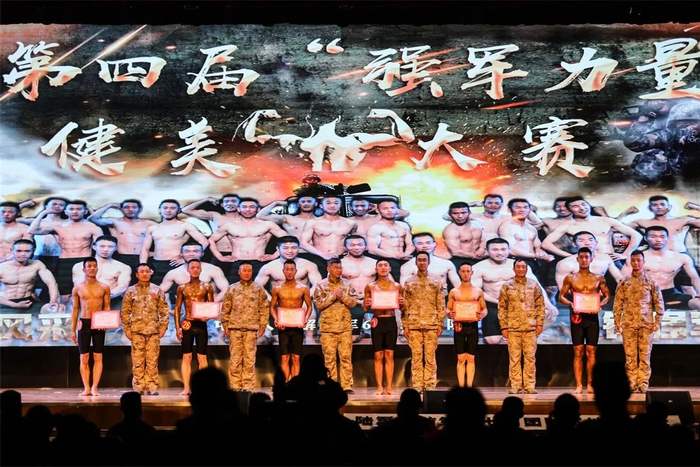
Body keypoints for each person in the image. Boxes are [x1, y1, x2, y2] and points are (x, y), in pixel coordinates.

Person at [472, 238, 557, 345]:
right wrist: (498, 302)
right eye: (495, 250)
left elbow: (536, 285)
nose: (500, 253)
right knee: (493, 341)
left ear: (509, 250)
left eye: (503, 249)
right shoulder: (478, 268)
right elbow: (476, 291)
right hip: (493, 305)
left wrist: (548, 303)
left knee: (548, 311)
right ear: (487, 251)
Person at [559, 247, 611, 394]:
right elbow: (561, 296)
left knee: (591, 351)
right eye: (581, 257)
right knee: (578, 351)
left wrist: (599, 305)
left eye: (586, 257)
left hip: (592, 317)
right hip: (577, 317)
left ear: (591, 259)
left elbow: (607, 296)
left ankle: (590, 384)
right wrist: (571, 304)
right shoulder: (570, 278)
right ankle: (578, 385)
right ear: (577, 259)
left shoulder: (599, 278)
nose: (584, 260)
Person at [28, 200, 102, 301]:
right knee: (64, 293)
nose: (75, 212)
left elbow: (100, 247)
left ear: (85, 211)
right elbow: (32, 231)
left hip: (84, 261)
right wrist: (43, 213)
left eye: (78, 209)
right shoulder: (58, 227)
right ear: (66, 211)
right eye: (71, 209)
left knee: (85, 292)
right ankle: (66, 311)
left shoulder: (93, 228)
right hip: (63, 261)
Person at [613, 250, 664, 394]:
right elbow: (618, 303)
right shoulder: (624, 281)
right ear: (630, 262)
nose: (636, 263)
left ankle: (643, 383)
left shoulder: (650, 281)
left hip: (646, 324)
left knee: (645, 356)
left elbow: (659, 302)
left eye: (639, 260)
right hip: (628, 324)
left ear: (643, 261)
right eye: (633, 260)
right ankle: (631, 383)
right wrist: (617, 321)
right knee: (630, 356)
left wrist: (657, 321)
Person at [255, 236, 322, 343]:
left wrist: (304, 298)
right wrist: (272, 299)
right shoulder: (269, 267)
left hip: (301, 300)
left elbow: (318, 285)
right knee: (261, 303)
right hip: (278, 301)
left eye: (294, 248)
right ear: (277, 249)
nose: (290, 251)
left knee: (308, 307)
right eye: (285, 248)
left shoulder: (308, 265)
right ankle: (266, 334)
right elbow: (257, 287)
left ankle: (309, 337)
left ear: (299, 248)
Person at [621, 226, 700, 310]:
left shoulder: (681, 257)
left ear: (667, 238)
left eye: (662, 237)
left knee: (697, 302)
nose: (658, 240)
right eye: (653, 236)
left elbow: (694, 278)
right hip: (644, 295)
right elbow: (623, 279)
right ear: (646, 238)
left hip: (671, 295)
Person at [542, 196, 642, 262]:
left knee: (621, 286)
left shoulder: (606, 221)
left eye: (583, 204)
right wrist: (570, 256)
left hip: (610, 258)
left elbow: (636, 235)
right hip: (585, 261)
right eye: (575, 206)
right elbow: (546, 244)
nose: (582, 208)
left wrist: (625, 254)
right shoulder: (568, 225)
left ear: (588, 205)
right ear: (570, 210)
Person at [209, 197, 286, 283]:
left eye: (252, 207)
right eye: (244, 207)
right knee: (236, 289)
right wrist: (220, 257)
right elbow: (211, 240)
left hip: (259, 261)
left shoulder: (267, 225)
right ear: (238, 209)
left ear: (258, 209)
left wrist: (274, 255)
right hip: (237, 262)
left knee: (259, 289)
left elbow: (286, 239)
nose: (248, 209)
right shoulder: (229, 225)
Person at [498, 259, 546, 394]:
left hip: (530, 327)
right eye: (518, 267)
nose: (520, 269)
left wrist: (540, 323)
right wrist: (504, 327)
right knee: (514, 358)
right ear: (514, 269)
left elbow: (540, 305)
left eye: (523, 267)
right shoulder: (507, 286)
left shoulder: (534, 284)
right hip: (513, 328)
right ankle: (516, 385)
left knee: (530, 358)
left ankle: (530, 385)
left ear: (526, 269)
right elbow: (502, 307)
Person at [121, 263, 169, 395]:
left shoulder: (157, 290)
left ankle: (152, 386)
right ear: (137, 275)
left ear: (151, 273)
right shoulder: (130, 291)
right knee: (137, 360)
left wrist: (163, 327)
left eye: (147, 271)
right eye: (141, 271)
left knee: (152, 360)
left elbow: (164, 310)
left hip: (153, 331)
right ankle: (139, 386)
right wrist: (127, 328)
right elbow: (125, 311)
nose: (145, 274)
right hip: (136, 331)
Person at [221, 261, 270, 391]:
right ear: (239, 272)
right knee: (235, 359)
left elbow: (264, 308)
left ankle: (248, 386)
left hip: (251, 329)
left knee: (249, 359)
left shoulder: (258, 289)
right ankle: (235, 385)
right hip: (234, 328)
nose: (247, 273)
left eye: (249, 271)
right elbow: (225, 308)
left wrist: (263, 325)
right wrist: (225, 325)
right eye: (244, 270)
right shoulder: (232, 288)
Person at [313, 258, 358, 394]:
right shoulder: (321, 285)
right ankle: (330, 385)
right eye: (335, 267)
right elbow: (318, 304)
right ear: (328, 268)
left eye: (340, 267)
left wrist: (343, 296)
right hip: (328, 328)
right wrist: (332, 296)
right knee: (329, 359)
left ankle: (347, 386)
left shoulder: (347, 284)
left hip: (345, 327)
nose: (339, 270)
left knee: (346, 357)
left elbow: (353, 302)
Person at [140, 199, 209, 285]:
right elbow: (145, 248)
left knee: (179, 291)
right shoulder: (152, 228)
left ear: (178, 210)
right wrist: (143, 265)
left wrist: (186, 259)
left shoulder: (185, 226)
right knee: (158, 290)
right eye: (165, 208)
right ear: (160, 210)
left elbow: (204, 242)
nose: (168, 210)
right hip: (156, 264)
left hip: (177, 264)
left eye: (172, 208)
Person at [402, 251, 443, 392]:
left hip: (432, 323)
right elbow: (405, 306)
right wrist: (405, 325)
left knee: (430, 356)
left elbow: (440, 304)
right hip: (414, 324)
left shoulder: (436, 281)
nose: (422, 262)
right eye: (419, 260)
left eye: (424, 260)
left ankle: (430, 384)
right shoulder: (409, 282)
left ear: (429, 262)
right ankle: (418, 384)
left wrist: (440, 323)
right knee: (416, 356)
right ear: (416, 262)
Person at [0, 240, 62, 332]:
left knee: (57, 309)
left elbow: (52, 283)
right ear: (12, 250)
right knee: (10, 332)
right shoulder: (2, 268)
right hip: (6, 304)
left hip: (29, 302)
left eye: (27, 251)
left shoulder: (37, 264)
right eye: (19, 251)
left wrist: (53, 301)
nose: (23, 254)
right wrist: (15, 305)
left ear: (33, 251)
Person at [88, 199, 156, 284]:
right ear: (121, 209)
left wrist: (157, 253)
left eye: (134, 207)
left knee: (144, 284)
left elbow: (165, 235)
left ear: (139, 209)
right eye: (126, 207)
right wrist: (109, 205)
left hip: (143, 258)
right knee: (122, 283)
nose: (130, 209)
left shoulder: (149, 224)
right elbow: (92, 218)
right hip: (122, 257)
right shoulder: (114, 222)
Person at [363, 259, 404, 395]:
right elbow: (364, 307)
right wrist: (366, 303)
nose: (383, 268)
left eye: (385, 265)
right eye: (380, 266)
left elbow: (403, 307)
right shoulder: (370, 286)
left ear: (390, 269)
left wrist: (403, 303)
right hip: (377, 321)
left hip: (391, 321)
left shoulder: (397, 286)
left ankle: (389, 387)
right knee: (378, 355)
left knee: (390, 354)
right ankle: (379, 387)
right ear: (376, 269)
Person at [174, 259, 215, 395]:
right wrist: (177, 327)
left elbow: (212, 307)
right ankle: (186, 388)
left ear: (201, 269)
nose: (195, 270)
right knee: (187, 357)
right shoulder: (182, 287)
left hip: (201, 324)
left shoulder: (207, 287)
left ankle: (204, 388)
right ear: (188, 269)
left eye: (197, 267)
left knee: (202, 357)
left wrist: (208, 316)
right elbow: (177, 308)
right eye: (193, 267)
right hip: (188, 324)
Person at [71, 258, 111, 396]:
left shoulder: (104, 287)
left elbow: (107, 306)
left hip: (98, 323)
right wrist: (72, 330)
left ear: (97, 268)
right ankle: (86, 387)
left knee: (98, 356)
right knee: (84, 357)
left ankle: (94, 387)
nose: (92, 268)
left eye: (94, 266)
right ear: (84, 269)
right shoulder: (78, 288)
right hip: (84, 323)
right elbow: (75, 309)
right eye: (89, 266)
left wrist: (106, 322)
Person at [447, 262, 487, 388]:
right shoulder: (454, 292)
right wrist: (450, 314)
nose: (465, 273)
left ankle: (469, 388)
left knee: (470, 358)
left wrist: (482, 315)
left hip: (472, 327)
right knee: (460, 358)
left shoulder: (478, 291)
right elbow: (447, 309)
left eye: (468, 271)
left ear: (472, 273)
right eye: (463, 271)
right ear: (459, 273)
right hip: (459, 327)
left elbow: (484, 309)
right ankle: (461, 387)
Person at [270, 260, 311, 381]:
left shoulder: (303, 288)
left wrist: (305, 319)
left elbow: (309, 306)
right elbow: (272, 307)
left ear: (295, 271)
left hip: (297, 327)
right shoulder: (277, 288)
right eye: (287, 269)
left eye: (291, 269)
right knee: (284, 358)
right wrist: (276, 319)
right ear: (283, 271)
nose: (289, 272)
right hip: (283, 327)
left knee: (296, 358)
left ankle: (295, 384)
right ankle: (285, 383)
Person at [182, 194, 240, 277]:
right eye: (226, 201)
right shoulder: (214, 216)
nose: (230, 203)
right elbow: (186, 210)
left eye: (233, 201)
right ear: (222, 204)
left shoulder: (245, 219)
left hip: (239, 254)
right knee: (215, 280)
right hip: (218, 253)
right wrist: (207, 199)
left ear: (239, 204)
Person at [300, 196, 357, 276]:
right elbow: (303, 243)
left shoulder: (350, 223)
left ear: (341, 205)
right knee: (320, 282)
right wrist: (323, 254)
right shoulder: (312, 223)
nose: (332, 205)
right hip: (319, 259)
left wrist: (349, 251)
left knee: (343, 283)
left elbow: (354, 241)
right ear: (321, 205)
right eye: (328, 203)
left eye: (336, 203)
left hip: (342, 259)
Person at [497, 198, 555, 276]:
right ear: (509, 210)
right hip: (515, 262)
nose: (522, 210)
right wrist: (537, 256)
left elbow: (538, 246)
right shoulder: (507, 226)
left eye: (525, 207)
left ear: (529, 210)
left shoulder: (531, 228)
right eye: (517, 207)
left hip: (533, 262)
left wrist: (541, 253)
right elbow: (510, 250)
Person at [159, 241, 229, 303]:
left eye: (196, 251)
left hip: (210, 307)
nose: (191, 254)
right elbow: (160, 292)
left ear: (202, 253)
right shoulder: (173, 273)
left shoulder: (213, 270)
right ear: (181, 254)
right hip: (185, 308)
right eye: (187, 251)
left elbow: (226, 290)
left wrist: (210, 304)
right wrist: (168, 309)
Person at [71, 235, 131, 306]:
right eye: (102, 246)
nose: (105, 249)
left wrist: (105, 295)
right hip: (86, 302)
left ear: (116, 248)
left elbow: (123, 286)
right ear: (94, 247)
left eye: (110, 247)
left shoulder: (123, 267)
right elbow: (79, 285)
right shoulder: (79, 266)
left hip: (112, 301)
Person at [555, 231, 623, 290]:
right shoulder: (565, 263)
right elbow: (562, 287)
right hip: (575, 296)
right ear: (574, 244)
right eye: (581, 241)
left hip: (600, 295)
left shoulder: (605, 259)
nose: (587, 243)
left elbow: (619, 278)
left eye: (590, 240)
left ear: (596, 243)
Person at [366, 199, 413, 282]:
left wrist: (405, 254)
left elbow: (410, 244)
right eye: (385, 208)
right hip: (388, 261)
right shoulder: (375, 228)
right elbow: (372, 249)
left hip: (405, 258)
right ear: (378, 211)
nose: (390, 210)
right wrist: (395, 256)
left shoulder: (404, 225)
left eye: (392, 208)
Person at [341, 234, 377, 341]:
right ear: (345, 247)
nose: (356, 248)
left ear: (366, 246)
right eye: (352, 245)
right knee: (352, 338)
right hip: (350, 303)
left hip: (372, 302)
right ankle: (360, 334)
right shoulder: (339, 264)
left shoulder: (375, 263)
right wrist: (356, 301)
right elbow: (332, 286)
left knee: (379, 335)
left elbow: (390, 284)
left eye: (360, 244)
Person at [442, 201, 487, 268]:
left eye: (463, 213)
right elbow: (455, 252)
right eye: (455, 213)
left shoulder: (477, 224)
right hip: (461, 261)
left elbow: (483, 240)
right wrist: (476, 256)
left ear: (469, 213)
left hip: (480, 258)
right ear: (450, 214)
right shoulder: (451, 230)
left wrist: (481, 249)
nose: (460, 216)